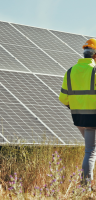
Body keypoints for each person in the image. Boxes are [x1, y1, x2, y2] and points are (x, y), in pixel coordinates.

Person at [59, 38, 96, 190]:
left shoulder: (70, 71)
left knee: (91, 149)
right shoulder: (94, 70)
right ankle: (86, 186)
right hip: (93, 118)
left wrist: (77, 107)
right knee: (90, 151)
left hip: (79, 118)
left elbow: (63, 98)